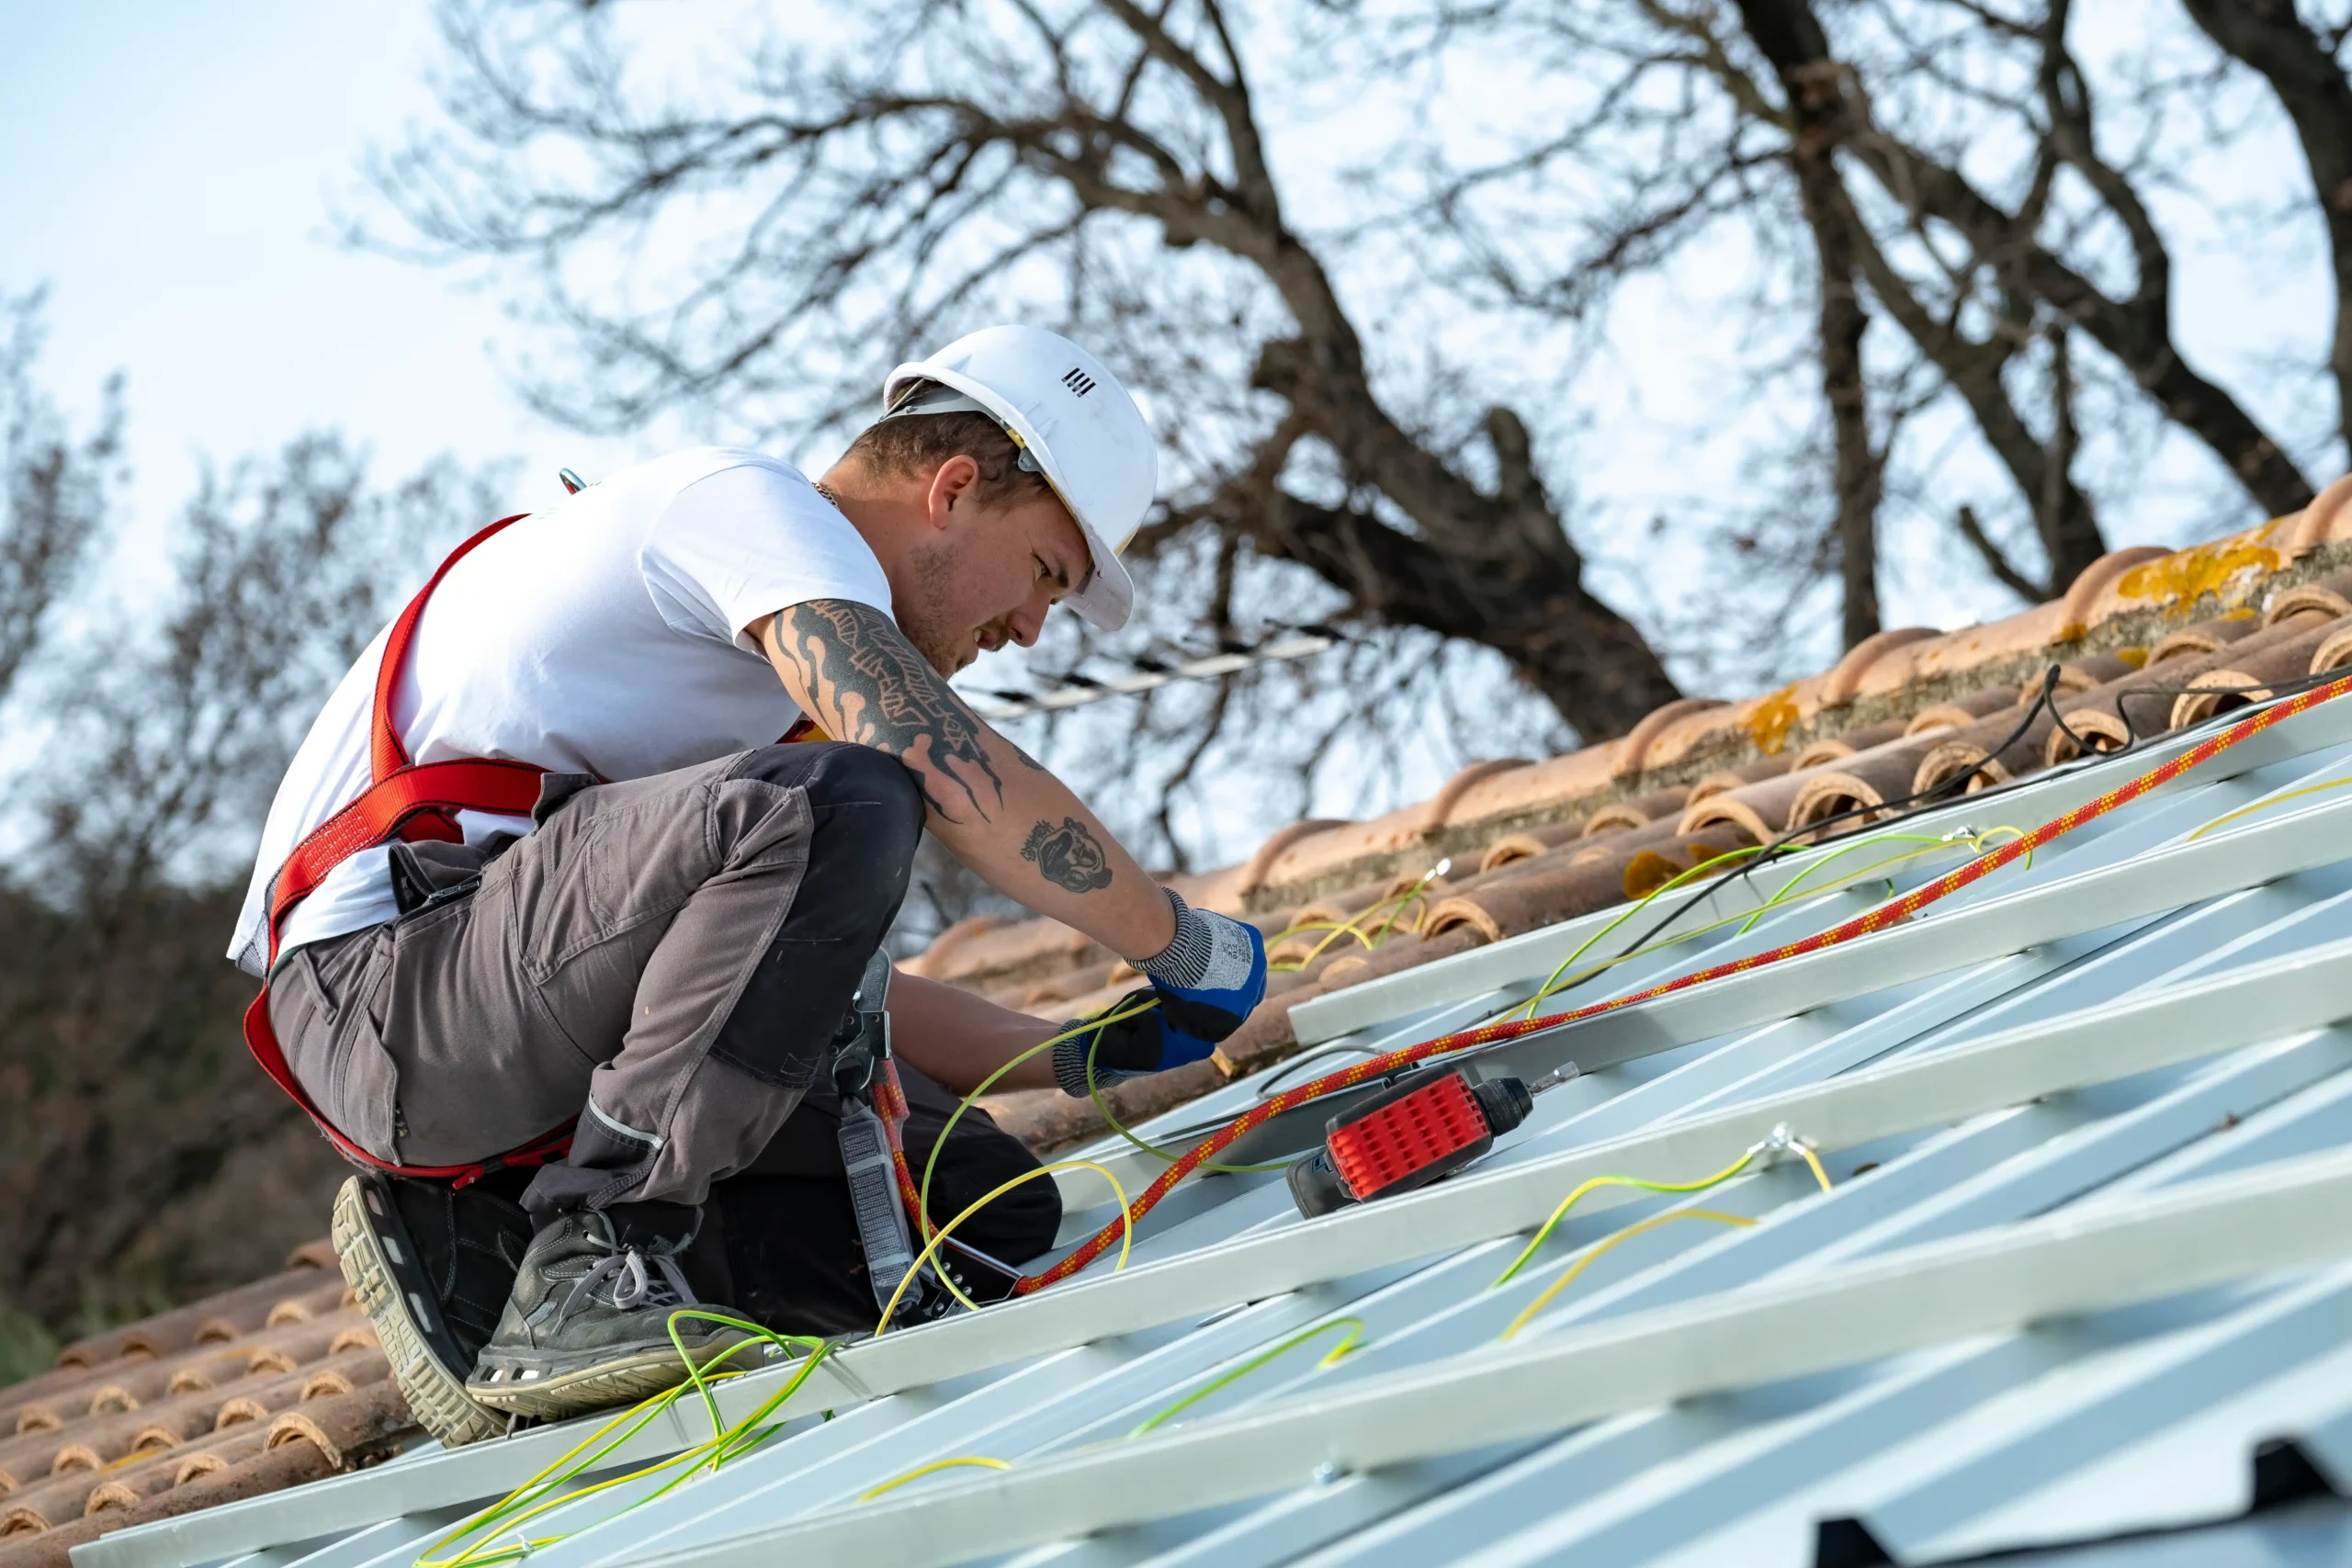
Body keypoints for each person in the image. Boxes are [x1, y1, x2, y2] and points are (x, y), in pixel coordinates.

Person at [228, 325, 1268, 1443]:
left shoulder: (751, 706)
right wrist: (1177, 944)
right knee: (851, 796)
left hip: (506, 1007)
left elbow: (790, 985)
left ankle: (499, 1281)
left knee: (974, 1205)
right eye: (1044, 577)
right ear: (955, 489)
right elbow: (938, 764)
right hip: (391, 998)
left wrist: (1076, 1053)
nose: (1026, 630)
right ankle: (595, 1261)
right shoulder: (739, 508)